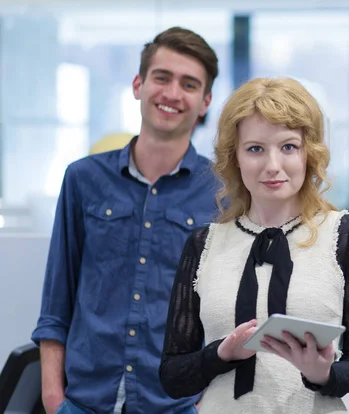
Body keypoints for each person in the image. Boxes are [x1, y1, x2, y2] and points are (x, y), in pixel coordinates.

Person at [159, 77, 349, 413]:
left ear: (309, 153)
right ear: (234, 156)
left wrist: (323, 373)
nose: (272, 166)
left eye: (288, 147)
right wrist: (222, 354)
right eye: (255, 149)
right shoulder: (203, 244)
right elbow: (172, 375)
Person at [31, 27, 220, 414]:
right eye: (161, 77)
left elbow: (228, 315)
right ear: (138, 84)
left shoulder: (222, 193)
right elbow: (56, 301)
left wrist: (206, 403)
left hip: (175, 406)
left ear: (205, 101)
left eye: (189, 84)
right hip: (83, 403)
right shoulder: (83, 179)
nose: (171, 93)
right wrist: (53, 399)